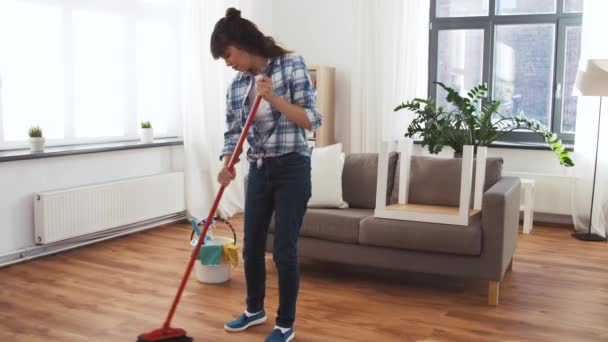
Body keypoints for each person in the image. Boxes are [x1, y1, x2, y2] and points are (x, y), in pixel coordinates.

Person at [211, 7, 322, 342]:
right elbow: (233, 132)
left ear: (242, 44)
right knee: (250, 247)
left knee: (284, 250)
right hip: (259, 170)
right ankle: (254, 309)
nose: (227, 63)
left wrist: (273, 97)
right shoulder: (237, 86)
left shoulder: (292, 66)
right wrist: (228, 161)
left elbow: (312, 120)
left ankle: (285, 323)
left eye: (227, 55)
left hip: (292, 167)